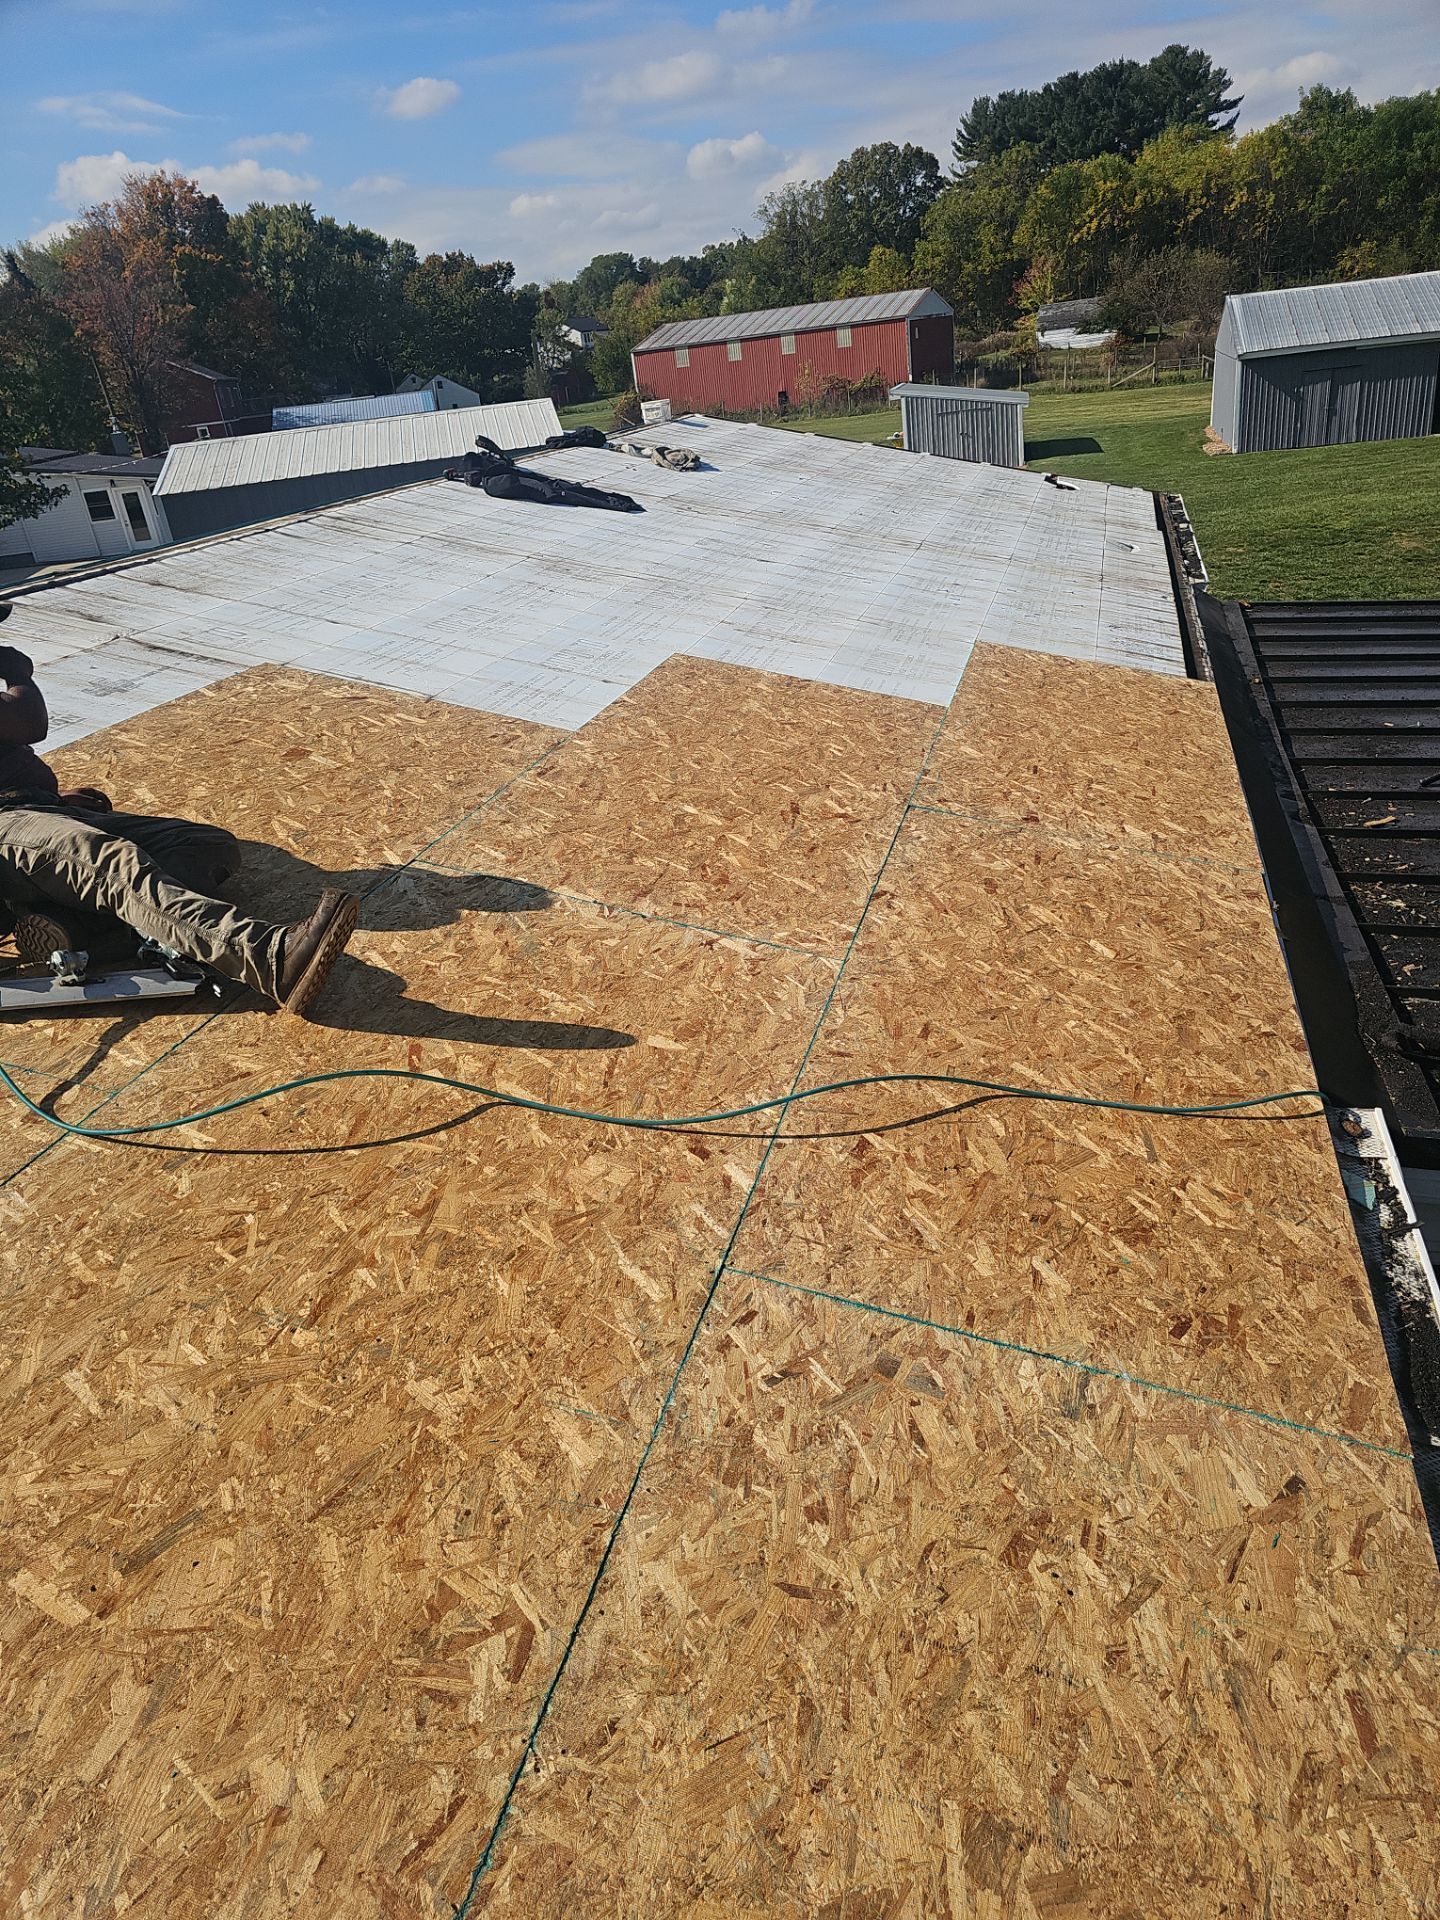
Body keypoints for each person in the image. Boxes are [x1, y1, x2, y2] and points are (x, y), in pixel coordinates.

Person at [0, 605, 357, 1017]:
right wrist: (19, 674)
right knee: (109, 860)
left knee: (204, 846)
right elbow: (28, 723)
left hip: (30, 807)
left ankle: (79, 932)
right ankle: (267, 958)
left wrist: (54, 799)